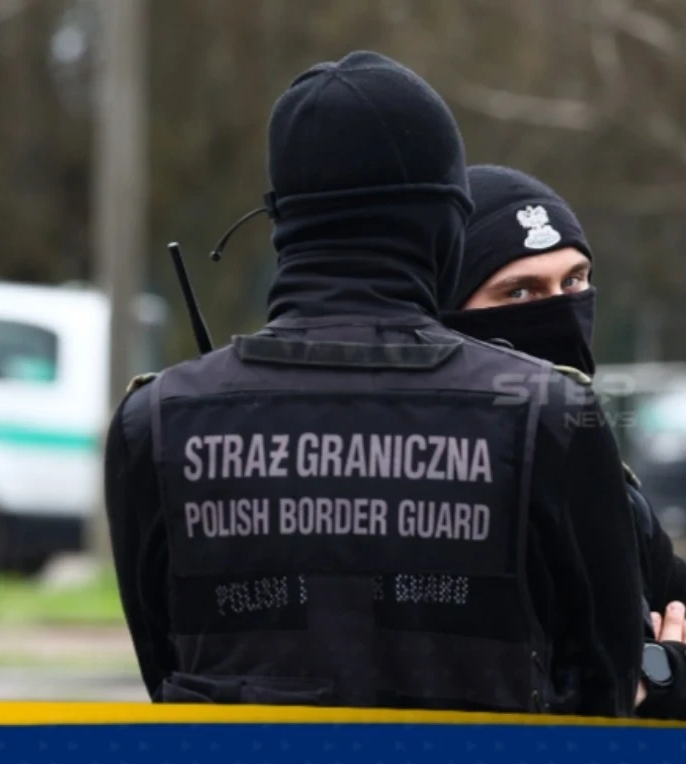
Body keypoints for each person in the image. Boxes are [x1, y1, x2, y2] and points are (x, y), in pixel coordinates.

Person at [103, 51, 644, 716]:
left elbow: (165, 667)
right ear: (447, 222)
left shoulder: (152, 423)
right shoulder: (550, 415)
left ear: (283, 224)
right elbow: (604, 696)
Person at [438, 163, 686, 717]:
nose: (559, 310)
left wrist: (660, 674)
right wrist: (654, 675)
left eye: (573, 281)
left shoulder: (605, 482)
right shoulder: (439, 489)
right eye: (519, 291)